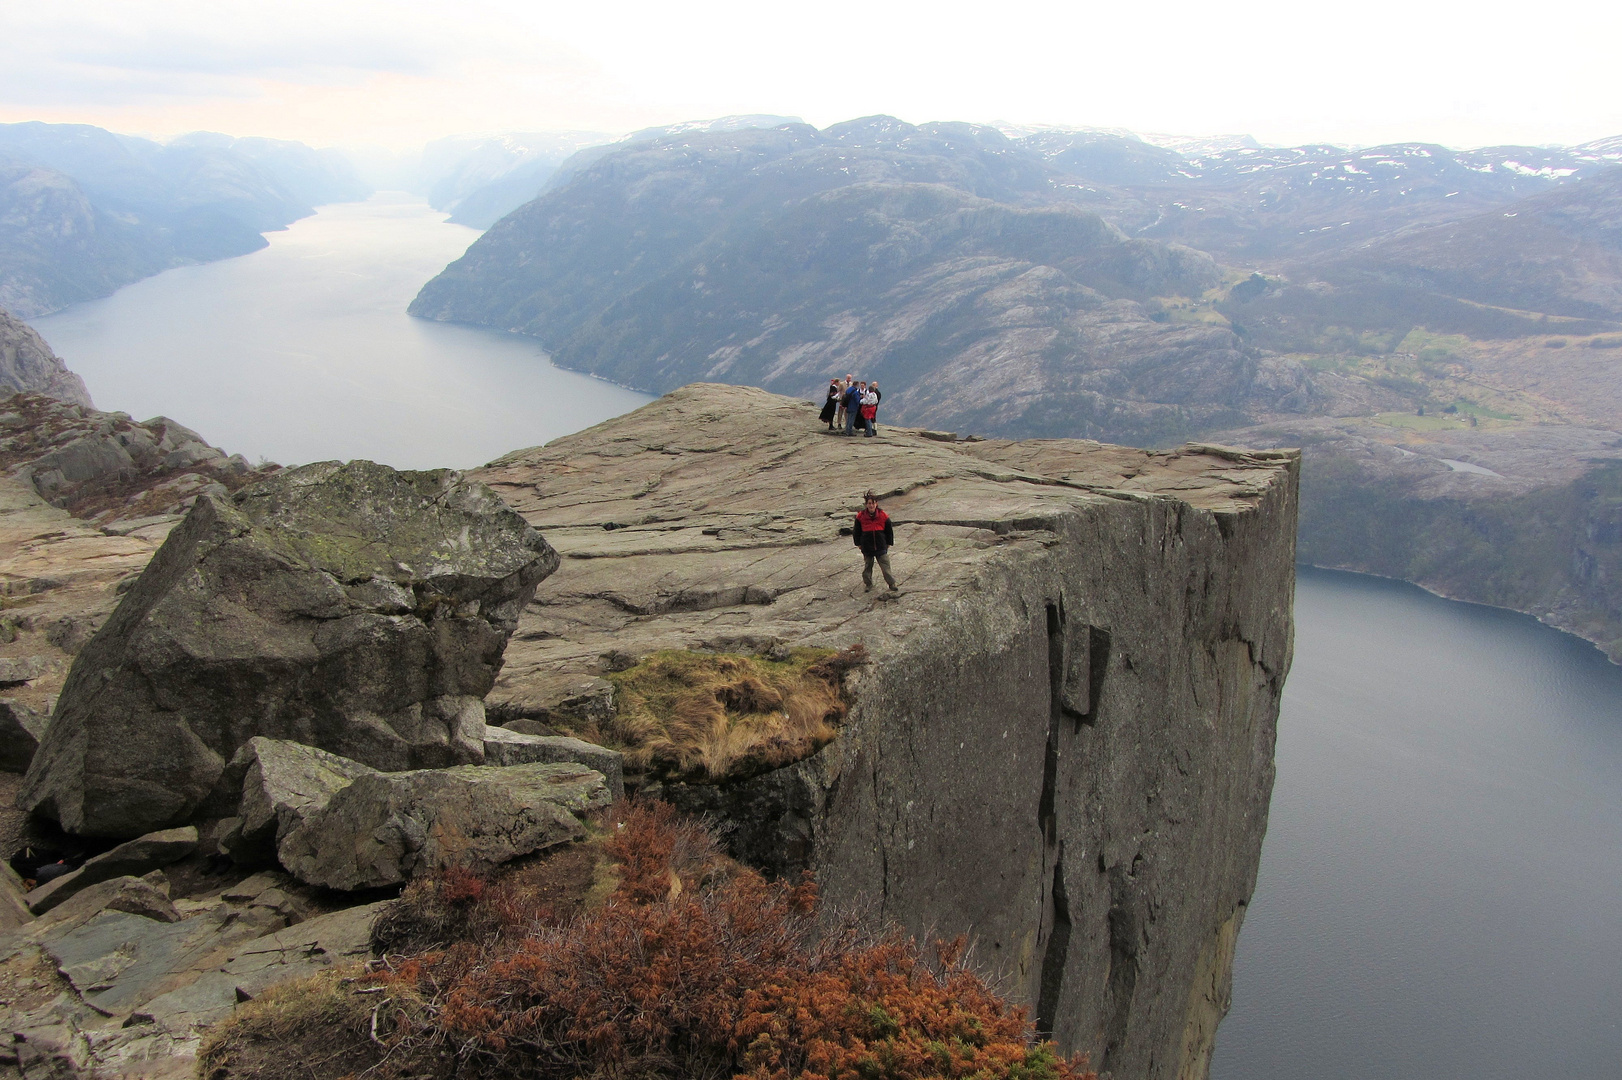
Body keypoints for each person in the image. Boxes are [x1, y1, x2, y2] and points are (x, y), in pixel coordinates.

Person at [853, 489, 898, 592]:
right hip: (867, 546)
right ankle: (868, 584)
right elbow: (856, 531)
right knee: (868, 567)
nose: (871, 506)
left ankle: (892, 584)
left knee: (886, 567)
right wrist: (858, 544)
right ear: (866, 505)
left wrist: (889, 543)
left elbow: (889, 531)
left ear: (876, 504)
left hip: (880, 545)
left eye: (873, 503)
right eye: (869, 503)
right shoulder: (861, 516)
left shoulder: (883, 515)